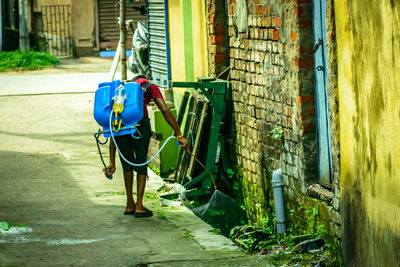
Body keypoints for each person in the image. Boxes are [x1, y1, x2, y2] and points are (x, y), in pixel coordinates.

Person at [103, 75, 188, 217]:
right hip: (140, 125)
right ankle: (139, 206)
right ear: (145, 80)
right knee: (141, 162)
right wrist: (180, 134)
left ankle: (129, 204)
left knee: (127, 163)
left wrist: (112, 161)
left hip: (121, 126)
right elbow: (165, 110)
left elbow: (113, 131)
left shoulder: (122, 93)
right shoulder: (150, 86)